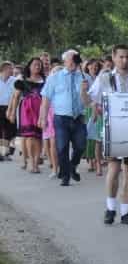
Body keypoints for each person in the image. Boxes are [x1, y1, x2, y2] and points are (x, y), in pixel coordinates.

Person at [90, 44, 128, 222]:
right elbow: (92, 99)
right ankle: (110, 208)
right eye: (121, 57)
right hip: (113, 127)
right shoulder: (104, 78)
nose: (124, 60)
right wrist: (88, 99)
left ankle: (125, 212)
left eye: (127, 57)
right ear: (113, 57)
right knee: (113, 168)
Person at [39, 50, 91, 186]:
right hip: (61, 118)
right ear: (65, 61)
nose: (73, 62)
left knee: (81, 146)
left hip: (79, 117)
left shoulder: (85, 78)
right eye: (70, 59)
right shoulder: (54, 77)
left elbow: (88, 103)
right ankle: (66, 176)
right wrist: (43, 118)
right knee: (61, 148)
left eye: (75, 59)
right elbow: (46, 99)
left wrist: (84, 91)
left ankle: (72, 166)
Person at [10, 58, 45, 172]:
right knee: (29, 136)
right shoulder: (22, 80)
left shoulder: (45, 80)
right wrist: (12, 112)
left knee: (39, 136)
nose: (37, 66)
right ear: (29, 66)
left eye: (39, 65)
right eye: (35, 64)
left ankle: (36, 162)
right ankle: (31, 162)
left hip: (41, 109)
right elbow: (16, 97)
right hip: (26, 110)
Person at [83, 59, 104, 175]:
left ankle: (97, 161)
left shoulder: (100, 77)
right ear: (88, 66)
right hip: (90, 108)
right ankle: (92, 161)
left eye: (97, 66)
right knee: (92, 137)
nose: (95, 68)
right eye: (93, 65)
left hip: (101, 108)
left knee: (98, 138)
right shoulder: (85, 77)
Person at [0, 62, 17, 161]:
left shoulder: (15, 81)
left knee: (9, 131)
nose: (12, 70)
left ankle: (5, 152)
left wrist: (13, 110)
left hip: (10, 108)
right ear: (4, 69)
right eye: (10, 68)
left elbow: (16, 96)